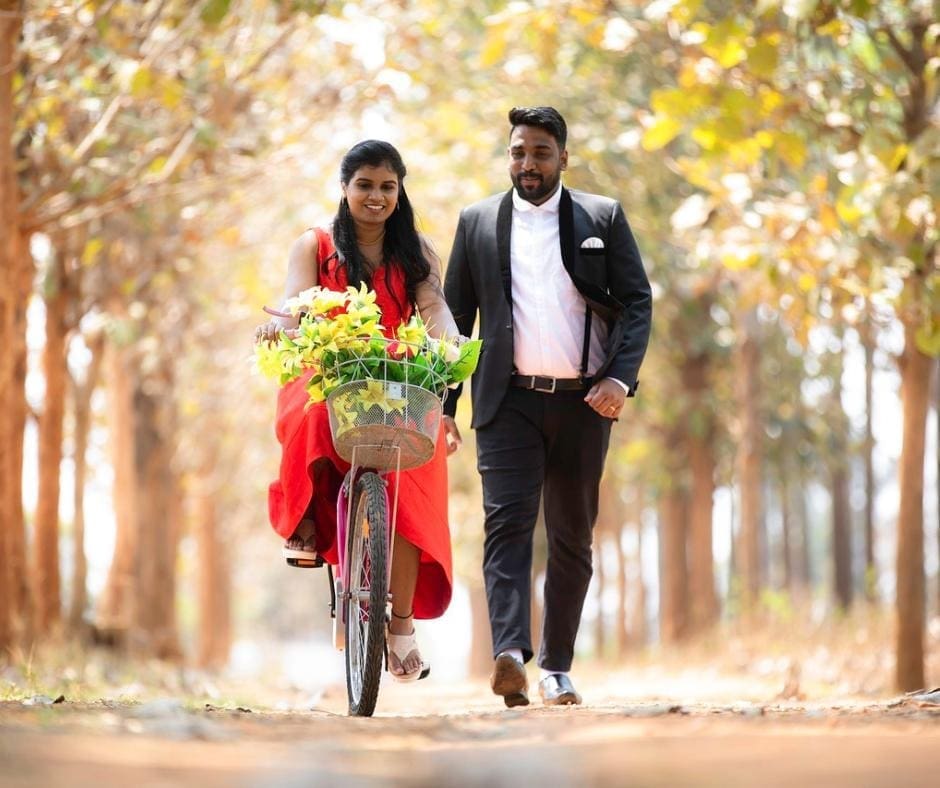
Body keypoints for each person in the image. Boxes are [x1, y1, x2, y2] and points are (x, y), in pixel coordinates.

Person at [443, 107, 652, 706]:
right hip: (506, 401)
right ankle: (509, 653)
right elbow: (457, 320)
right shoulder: (477, 221)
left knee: (570, 537)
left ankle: (557, 667)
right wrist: (446, 406)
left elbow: (637, 302)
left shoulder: (602, 217)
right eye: (517, 152)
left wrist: (620, 378)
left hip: (586, 403)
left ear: (563, 156)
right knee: (506, 526)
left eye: (539, 152)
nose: (527, 164)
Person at [255, 140, 461, 681]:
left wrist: (450, 343)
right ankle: (303, 522)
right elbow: (296, 303)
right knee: (311, 410)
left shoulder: (415, 248)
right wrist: (282, 326)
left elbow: (433, 305)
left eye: (387, 186)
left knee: (421, 465)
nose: (376, 196)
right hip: (331, 365)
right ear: (345, 189)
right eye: (364, 185)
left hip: (394, 371)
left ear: (400, 191)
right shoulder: (315, 243)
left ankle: (401, 628)